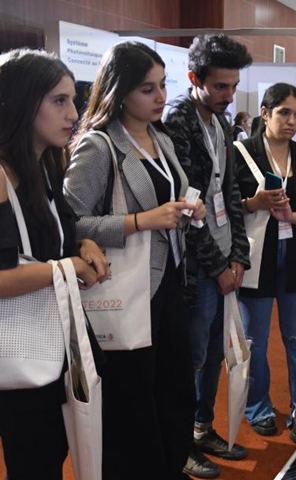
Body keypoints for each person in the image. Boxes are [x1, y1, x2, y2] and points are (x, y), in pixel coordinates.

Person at [65, 41, 205, 480]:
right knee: (134, 396)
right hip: (123, 287)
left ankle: (166, 464)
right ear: (121, 91)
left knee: (175, 387)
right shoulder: (99, 145)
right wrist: (140, 221)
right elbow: (70, 223)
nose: (161, 96)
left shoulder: (160, 139)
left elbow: (170, 204)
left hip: (167, 283)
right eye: (148, 89)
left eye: (163, 85)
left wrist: (189, 210)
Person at [0, 48, 108, 480]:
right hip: (22, 353)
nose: (73, 113)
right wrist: (69, 269)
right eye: (58, 101)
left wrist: (83, 244)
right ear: (24, 103)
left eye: (72, 100)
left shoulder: (43, 165)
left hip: (54, 339)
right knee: (35, 459)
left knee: (54, 449)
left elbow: (55, 234)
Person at [161, 33, 252, 479]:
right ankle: (180, 445)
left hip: (222, 258)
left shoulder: (221, 122)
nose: (228, 95)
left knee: (215, 353)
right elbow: (184, 205)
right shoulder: (176, 122)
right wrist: (218, 266)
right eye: (220, 87)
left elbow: (230, 192)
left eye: (233, 87)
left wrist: (238, 255)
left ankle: (202, 428)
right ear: (195, 78)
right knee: (191, 355)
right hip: (195, 265)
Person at [234, 83, 296, 444]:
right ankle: (257, 406)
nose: (291, 121)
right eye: (284, 112)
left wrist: (295, 215)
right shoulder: (241, 153)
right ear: (265, 112)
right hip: (255, 258)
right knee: (254, 339)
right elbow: (225, 203)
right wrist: (251, 204)